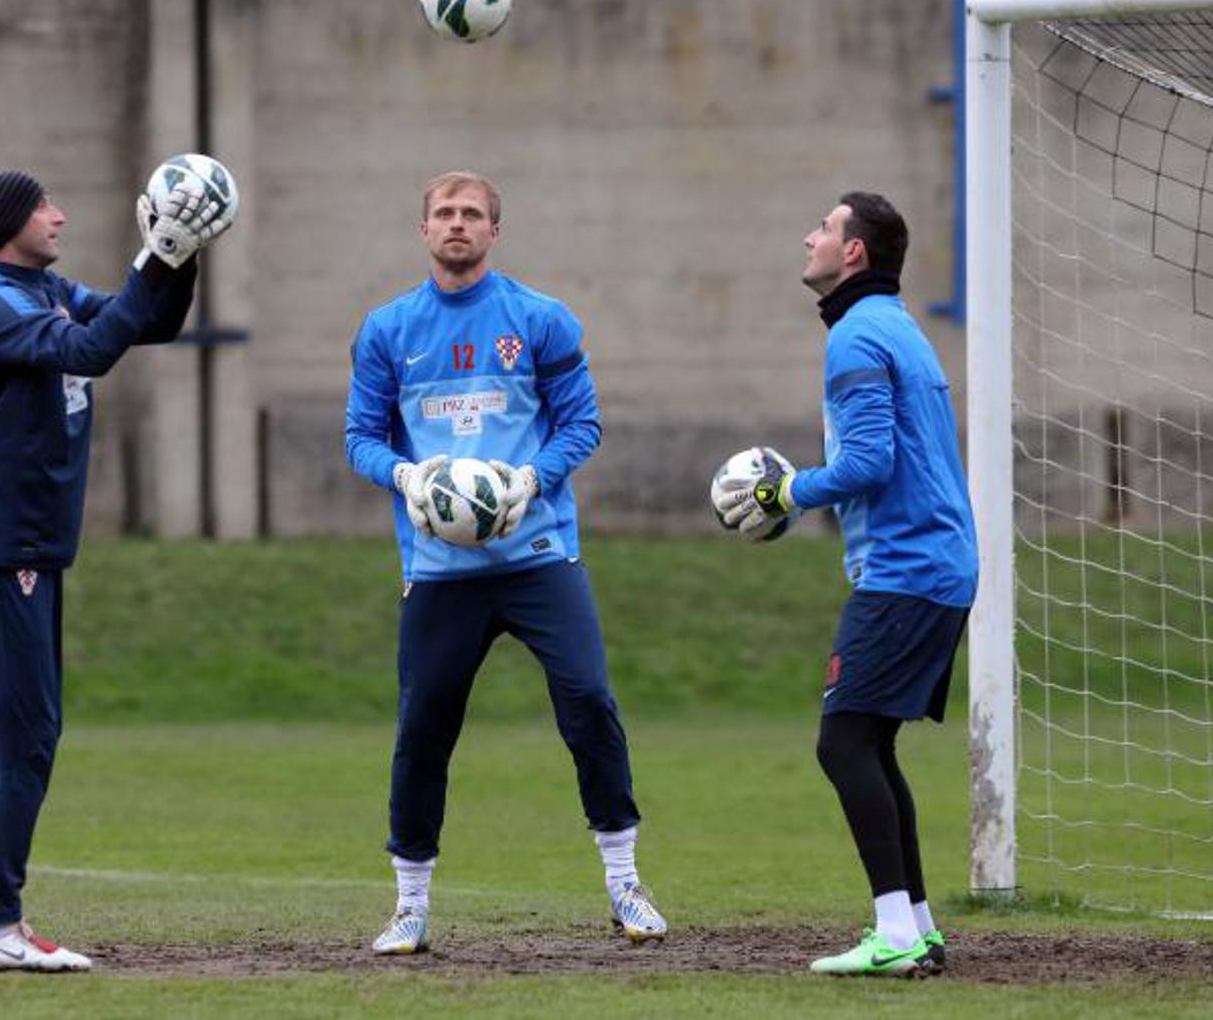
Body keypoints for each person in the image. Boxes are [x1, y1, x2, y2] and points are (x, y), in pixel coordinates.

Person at [344, 171, 667, 955]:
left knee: (588, 701)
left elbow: (581, 425)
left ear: (494, 231)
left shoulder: (540, 320)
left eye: (471, 214)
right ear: (424, 230)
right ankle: (409, 904)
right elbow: (360, 438)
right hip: (439, 570)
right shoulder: (387, 329)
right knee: (423, 729)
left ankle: (625, 881)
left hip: (537, 557)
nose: (457, 224)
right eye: (443, 213)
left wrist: (529, 480)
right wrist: (406, 476)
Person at [0, 168, 230, 972]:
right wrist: (153, 251)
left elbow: (148, 322)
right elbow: (93, 351)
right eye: (42, 206)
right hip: (1, 543)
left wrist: (177, 257)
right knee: (26, 740)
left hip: (29, 544)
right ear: (7, 224)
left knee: (19, 739)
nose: (58, 216)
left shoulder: (46, 290)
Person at [715, 192, 977, 978]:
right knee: (870, 744)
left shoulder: (857, 334)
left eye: (823, 228)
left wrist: (786, 493)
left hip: (908, 569)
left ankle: (893, 933)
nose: (809, 237)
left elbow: (867, 464)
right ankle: (916, 929)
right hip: (934, 564)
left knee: (843, 744)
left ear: (853, 251)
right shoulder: (893, 325)